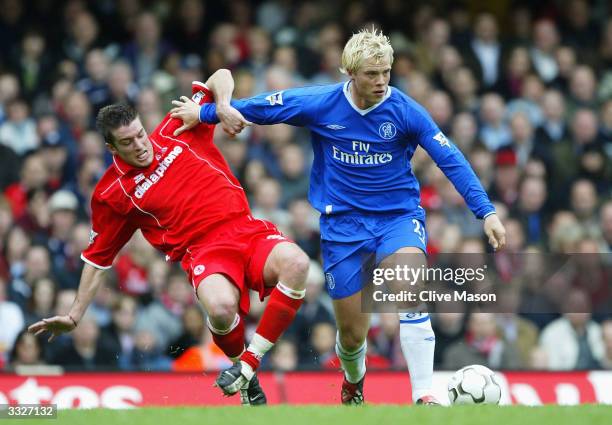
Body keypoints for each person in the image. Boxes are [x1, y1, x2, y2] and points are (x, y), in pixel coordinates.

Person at [171, 28, 507, 405]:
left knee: (409, 287)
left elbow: (450, 158)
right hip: (343, 227)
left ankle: (423, 397)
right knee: (351, 336)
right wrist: (202, 113)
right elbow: (263, 107)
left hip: (397, 219)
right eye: (371, 74)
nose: (381, 82)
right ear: (350, 73)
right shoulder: (321, 102)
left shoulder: (406, 110)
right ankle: (353, 380)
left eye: (386, 72)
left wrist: (486, 211)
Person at [28, 70, 310, 405]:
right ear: (111, 147)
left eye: (140, 135)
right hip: (203, 251)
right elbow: (97, 258)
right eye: (128, 142)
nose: (140, 145)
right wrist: (75, 314)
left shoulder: (176, 126)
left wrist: (219, 107)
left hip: (244, 228)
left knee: (298, 262)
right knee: (220, 309)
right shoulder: (113, 193)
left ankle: (247, 367)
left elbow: (221, 75)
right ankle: (245, 376)